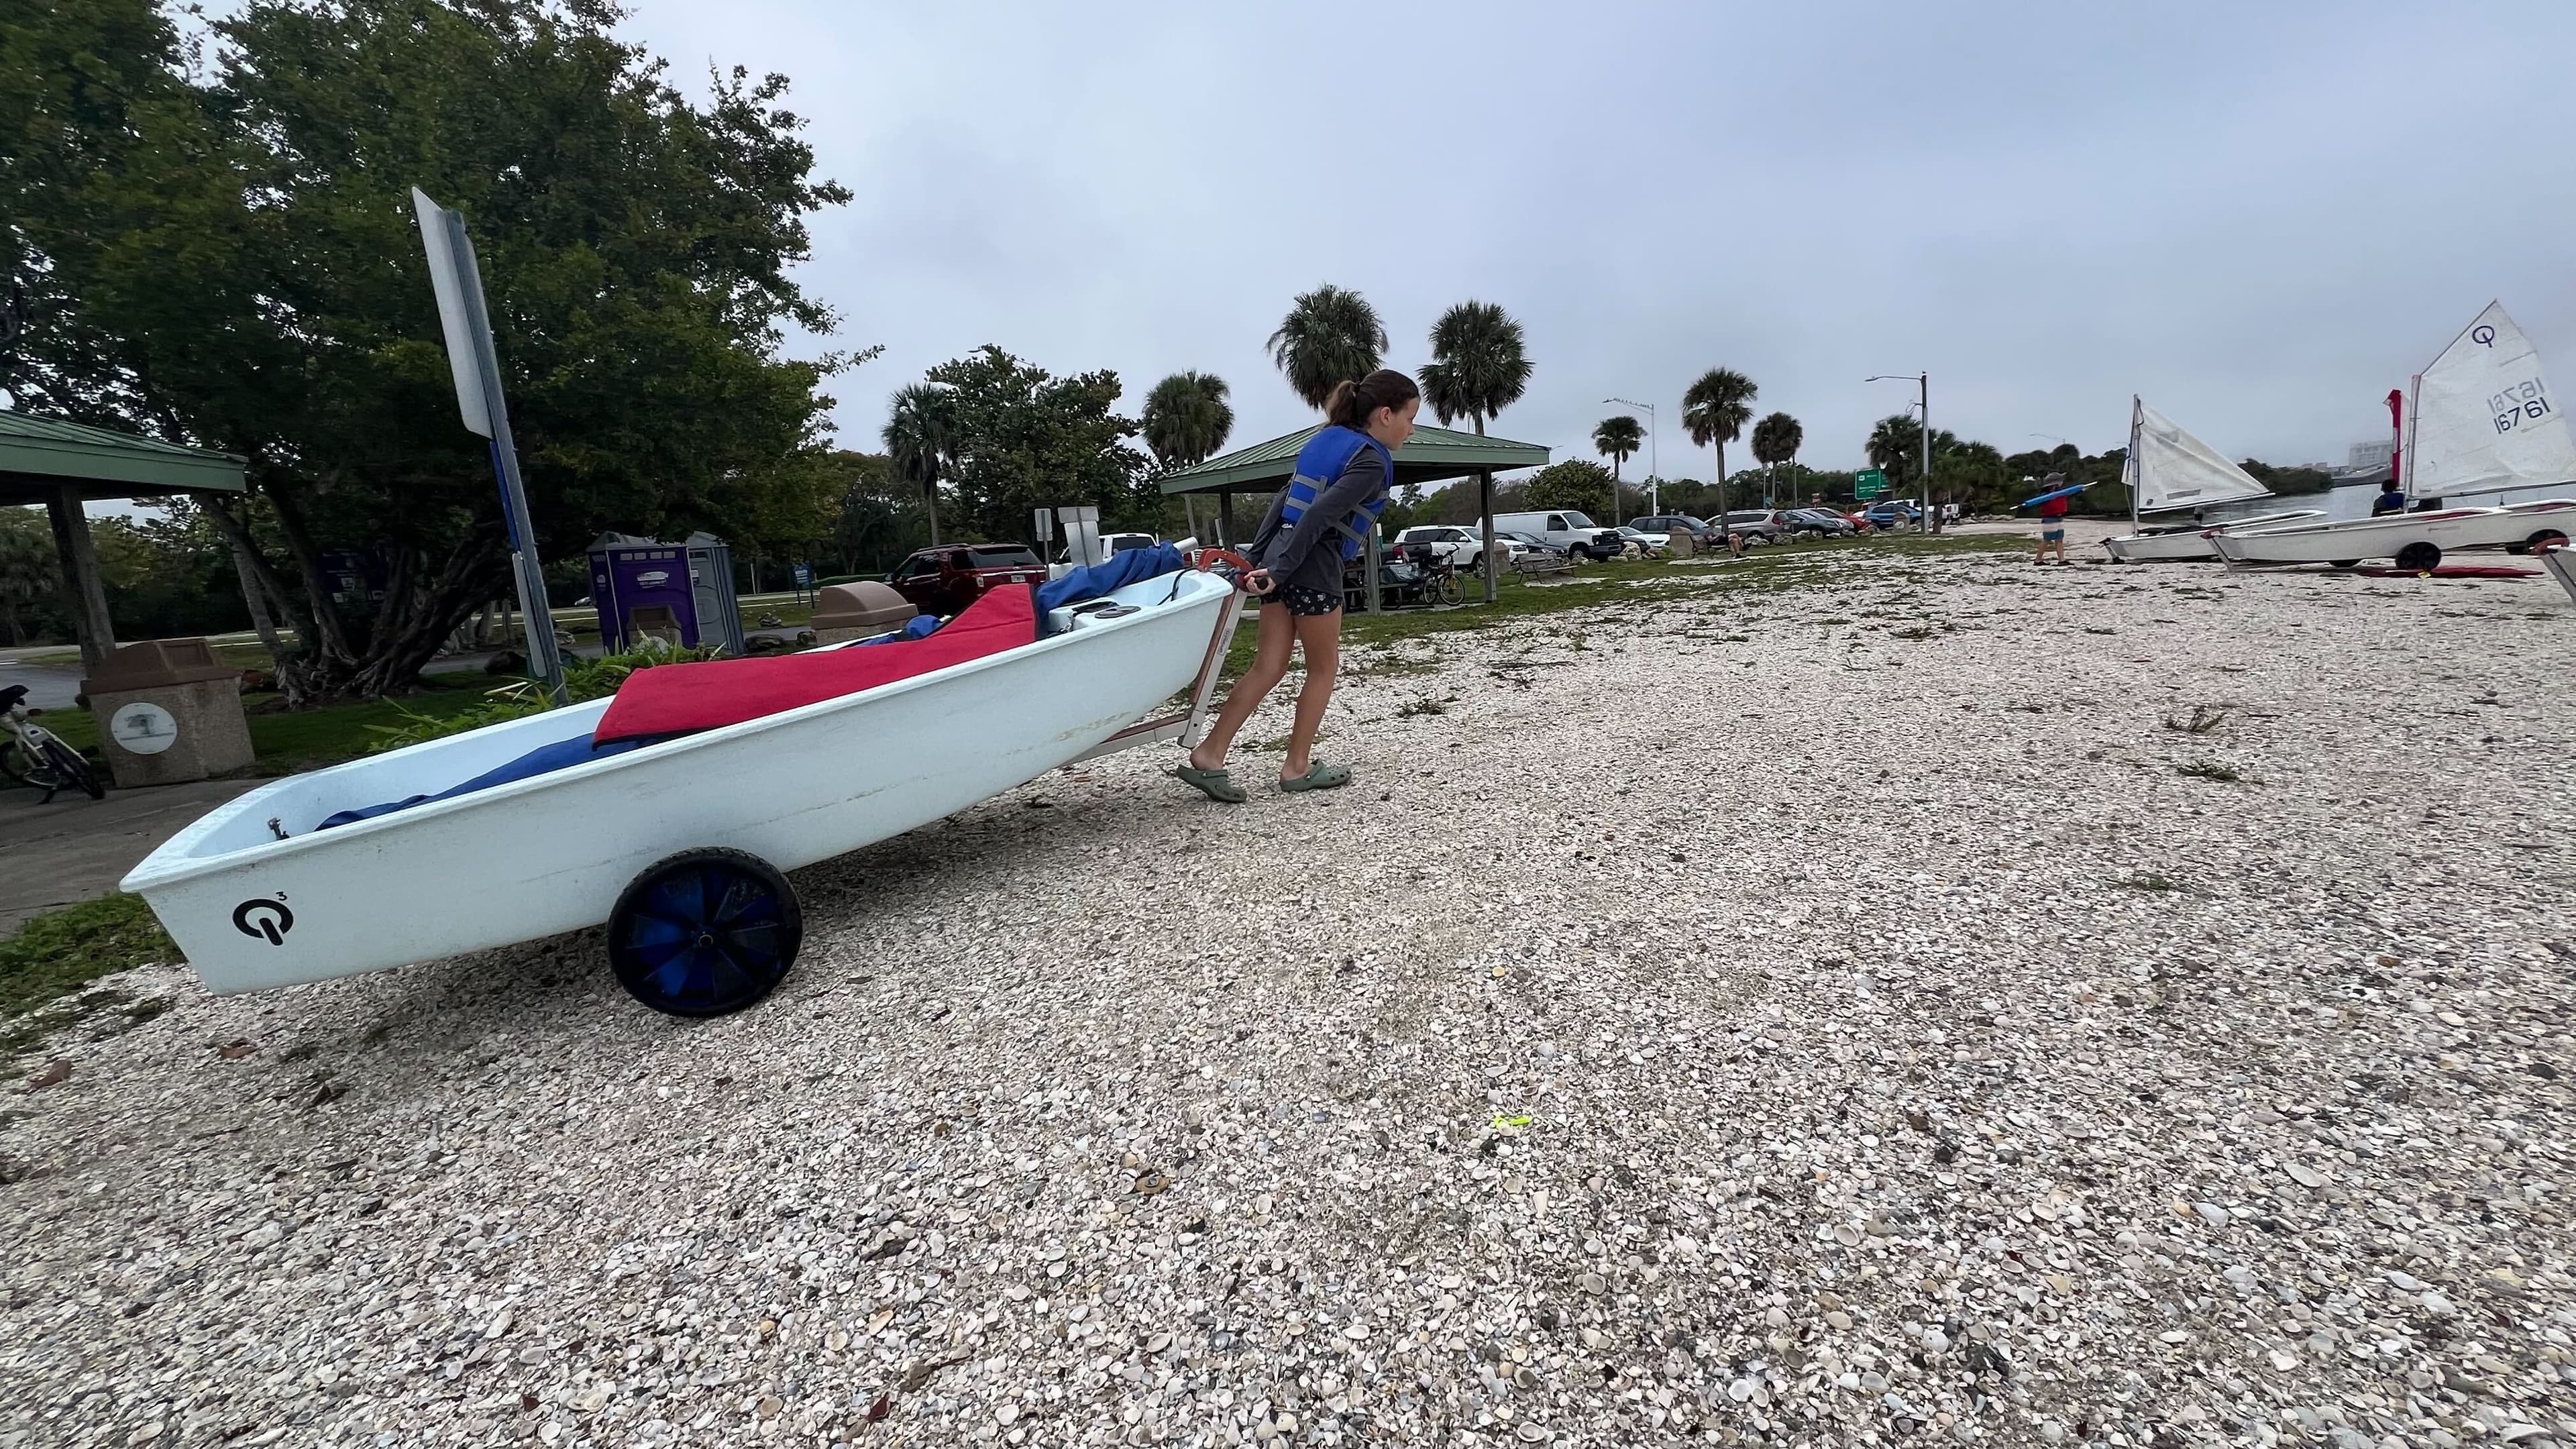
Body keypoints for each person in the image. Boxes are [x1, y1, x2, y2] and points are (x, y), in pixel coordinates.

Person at [1175, 369, 1419, 802]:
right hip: (1313, 566)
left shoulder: (1324, 440)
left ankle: (1211, 753)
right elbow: (1323, 515)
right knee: (1323, 669)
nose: (1411, 428)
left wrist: (1262, 561)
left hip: (1282, 561)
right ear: (1385, 415)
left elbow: (1284, 504)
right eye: (1409, 417)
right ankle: (1297, 767)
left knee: (1267, 667)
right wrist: (1284, 569)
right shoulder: (1372, 460)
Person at [2035, 485, 2071, 566]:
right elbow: (2040, 503)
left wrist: (2081, 490)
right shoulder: (2045, 494)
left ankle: (2062, 560)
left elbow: (2070, 495)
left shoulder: (2060, 492)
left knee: (2059, 539)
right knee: (2047, 539)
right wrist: (2049, 497)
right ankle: (2038, 560)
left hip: (2059, 517)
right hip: (2049, 518)